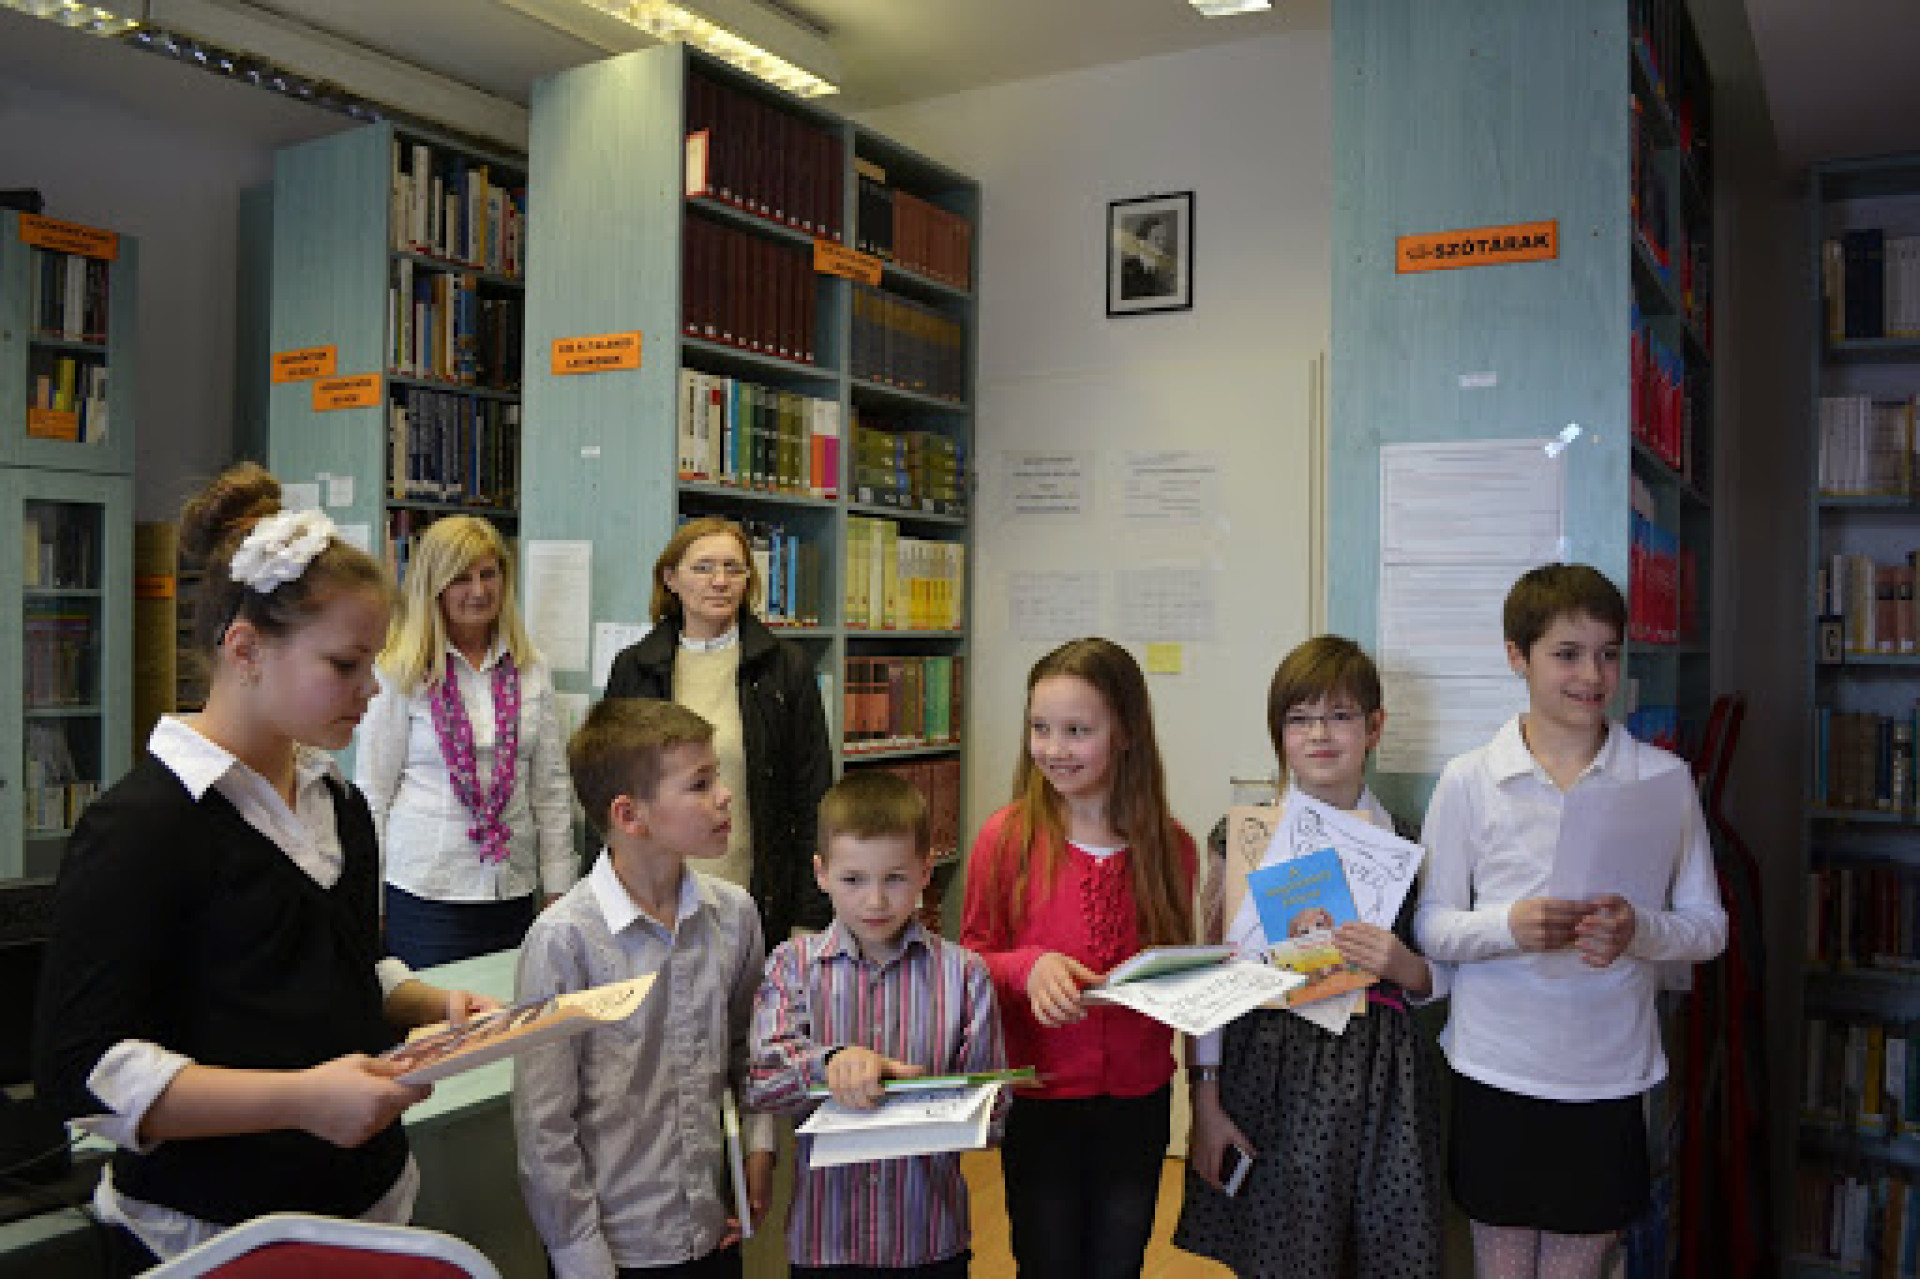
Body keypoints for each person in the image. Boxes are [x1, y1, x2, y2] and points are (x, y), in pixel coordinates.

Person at [33, 462, 495, 1273]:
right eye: (345, 665)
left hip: (369, 1209)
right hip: (215, 1237)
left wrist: (428, 1003)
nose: (371, 691)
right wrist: (302, 1098)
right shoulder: (142, 826)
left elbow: (340, 962)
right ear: (245, 649)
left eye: (372, 663)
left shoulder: (338, 802)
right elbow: (86, 1073)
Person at [1415, 564, 1727, 1279]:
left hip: (1606, 1075)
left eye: (1608, 653)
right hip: (1495, 1069)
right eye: (1567, 653)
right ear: (1516, 656)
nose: (1592, 674)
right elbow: (1432, 926)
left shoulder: (1663, 779)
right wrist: (1509, 926)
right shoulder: (1469, 779)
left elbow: (1708, 927)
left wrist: (1638, 930)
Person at [1173, 635, 1446, 1278]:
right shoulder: (1241, 839)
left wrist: (1403, 965)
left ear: (1374, 726)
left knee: (1385, 1252)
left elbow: (1438, 978)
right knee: (1282, 1253)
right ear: (1279, 733)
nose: (1320, 734)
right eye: (1299, 719)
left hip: (1383, 1082)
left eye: (1340, 716)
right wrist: (1205, 1100)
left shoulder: (1408, 843)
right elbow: (1209, 976)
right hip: (1270, 1073)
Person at [513, 697, 775, 1279]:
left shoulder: (735, 915)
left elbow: (748, 1053)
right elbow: (544, 1125)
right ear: (630, 816)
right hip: (616, 1248)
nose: (724, 796)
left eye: (717, 778)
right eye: (700, 784)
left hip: (713, 1228)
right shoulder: (563, 941)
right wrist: (581, 1258)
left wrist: (758, 1146)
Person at [959, 636, 1196, 1278]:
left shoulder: (1171, 848)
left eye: (1077, 731)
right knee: (1046, 1260)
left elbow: (1179, 973)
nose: (1054, 748)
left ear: (1126, 732)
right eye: (1040, 728)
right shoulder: (1005, 839)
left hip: (1139, 1101)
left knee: (1120, 1260)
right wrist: (1027, 966)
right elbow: (973, 960)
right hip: (1040, 1096)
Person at [749, 769, 1005, 1279]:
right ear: (821, 873)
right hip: (826, 1241)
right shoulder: (790, 966)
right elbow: (762, 1081)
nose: (875, 901)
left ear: (926, 870)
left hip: (928, 1238)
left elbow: (994, 1115)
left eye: (895, 878)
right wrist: (831, 1065)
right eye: (853, 880)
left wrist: (928, 1104)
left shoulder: (965, 975)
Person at [355, 514, 574, 968]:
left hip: (512, 886)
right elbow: (373, 792)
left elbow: (550, 790)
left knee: (510, 1008)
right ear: (433, 585)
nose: (478, 590)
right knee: (435, 1012)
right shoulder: (398, 671)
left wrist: (559, 887)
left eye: (488, 574)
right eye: (460, 578)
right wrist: (366, 899)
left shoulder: (530, 668)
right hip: (426, 889)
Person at [604, 516, 832, 944]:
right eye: (703, 568)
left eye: (733, 568)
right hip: (652, 900)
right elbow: (609, 790)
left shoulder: (786, 669)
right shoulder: (634, 669)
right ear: (671, 579)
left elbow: (812, 796)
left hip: (756, 900)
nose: (720, 581)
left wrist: (810, 916)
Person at [1119, 213, 1176, 300]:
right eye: (1156, 238)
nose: (1161, 244)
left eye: (1163, 239)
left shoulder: (1166, 272)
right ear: (1142, 242)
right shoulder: (1126, 271)